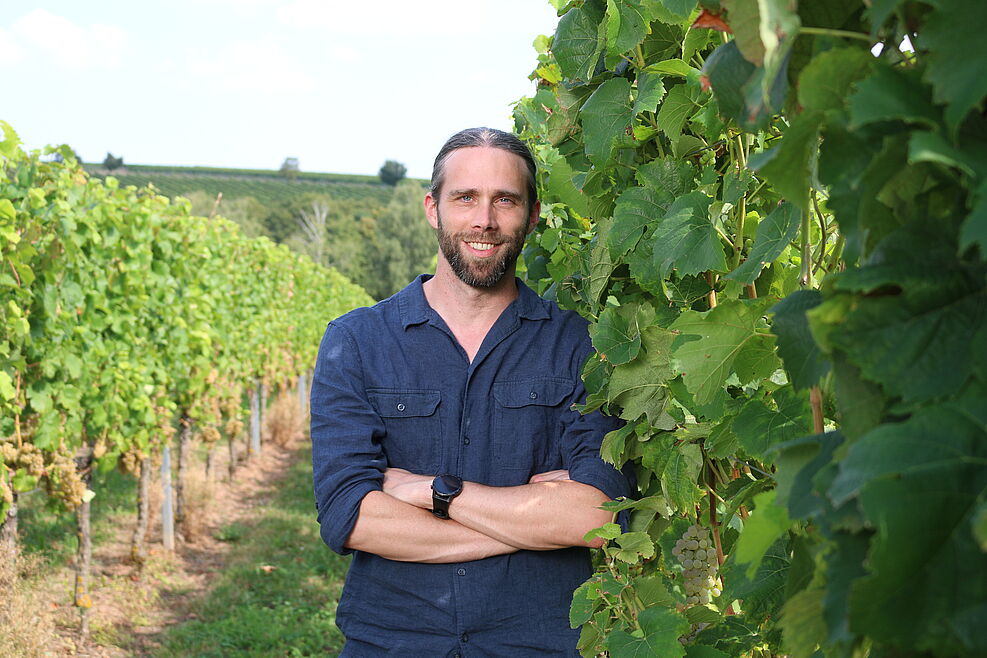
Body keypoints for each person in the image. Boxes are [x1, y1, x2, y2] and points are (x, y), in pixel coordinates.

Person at [310, 127, 633, 656]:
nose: (484, 220)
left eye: (505, 200)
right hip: (392, 641)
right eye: (466, 198)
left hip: (538, 644)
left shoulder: (580, 345)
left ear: (531, 216)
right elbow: (351, 515)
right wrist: (532, 524)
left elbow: (595, 517)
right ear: (433, 209)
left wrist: (430, 491)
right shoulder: (356, 341)